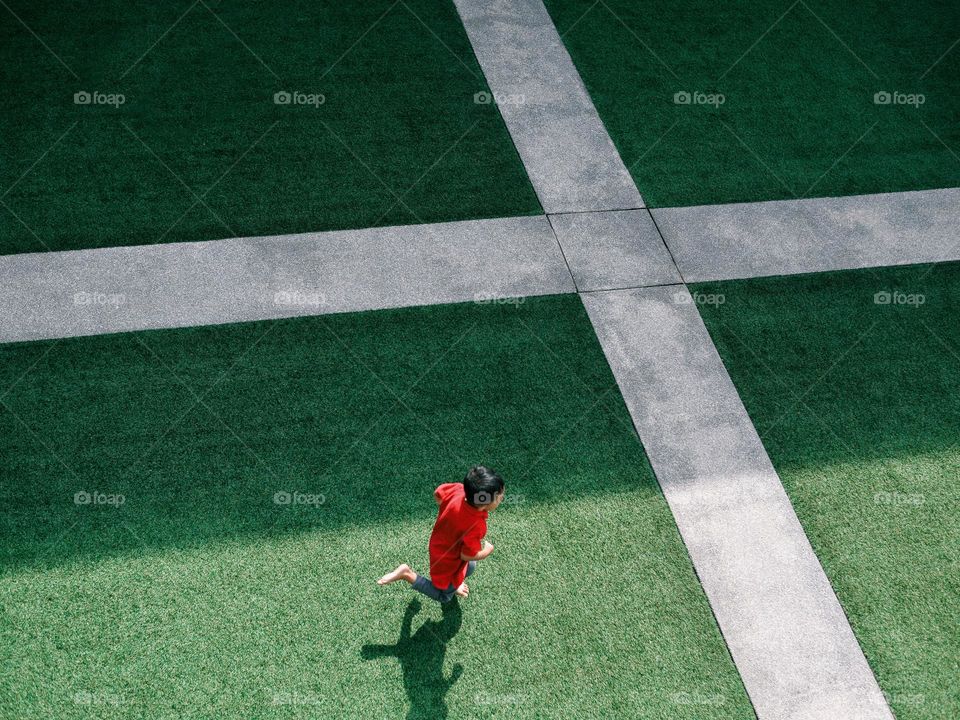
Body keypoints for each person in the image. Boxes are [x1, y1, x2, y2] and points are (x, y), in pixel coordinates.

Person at [377, 466, 504, 602]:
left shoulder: (459, 490)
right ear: (484, 503)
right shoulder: (476, 525)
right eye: (499, 496)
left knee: (470, 567)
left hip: (440, 543)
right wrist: (487, 551)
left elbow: (438, 494)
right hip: (448, 562)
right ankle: (407, 574)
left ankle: (456, 584)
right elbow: (466, 555)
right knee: (444, 596)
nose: (502, 497)